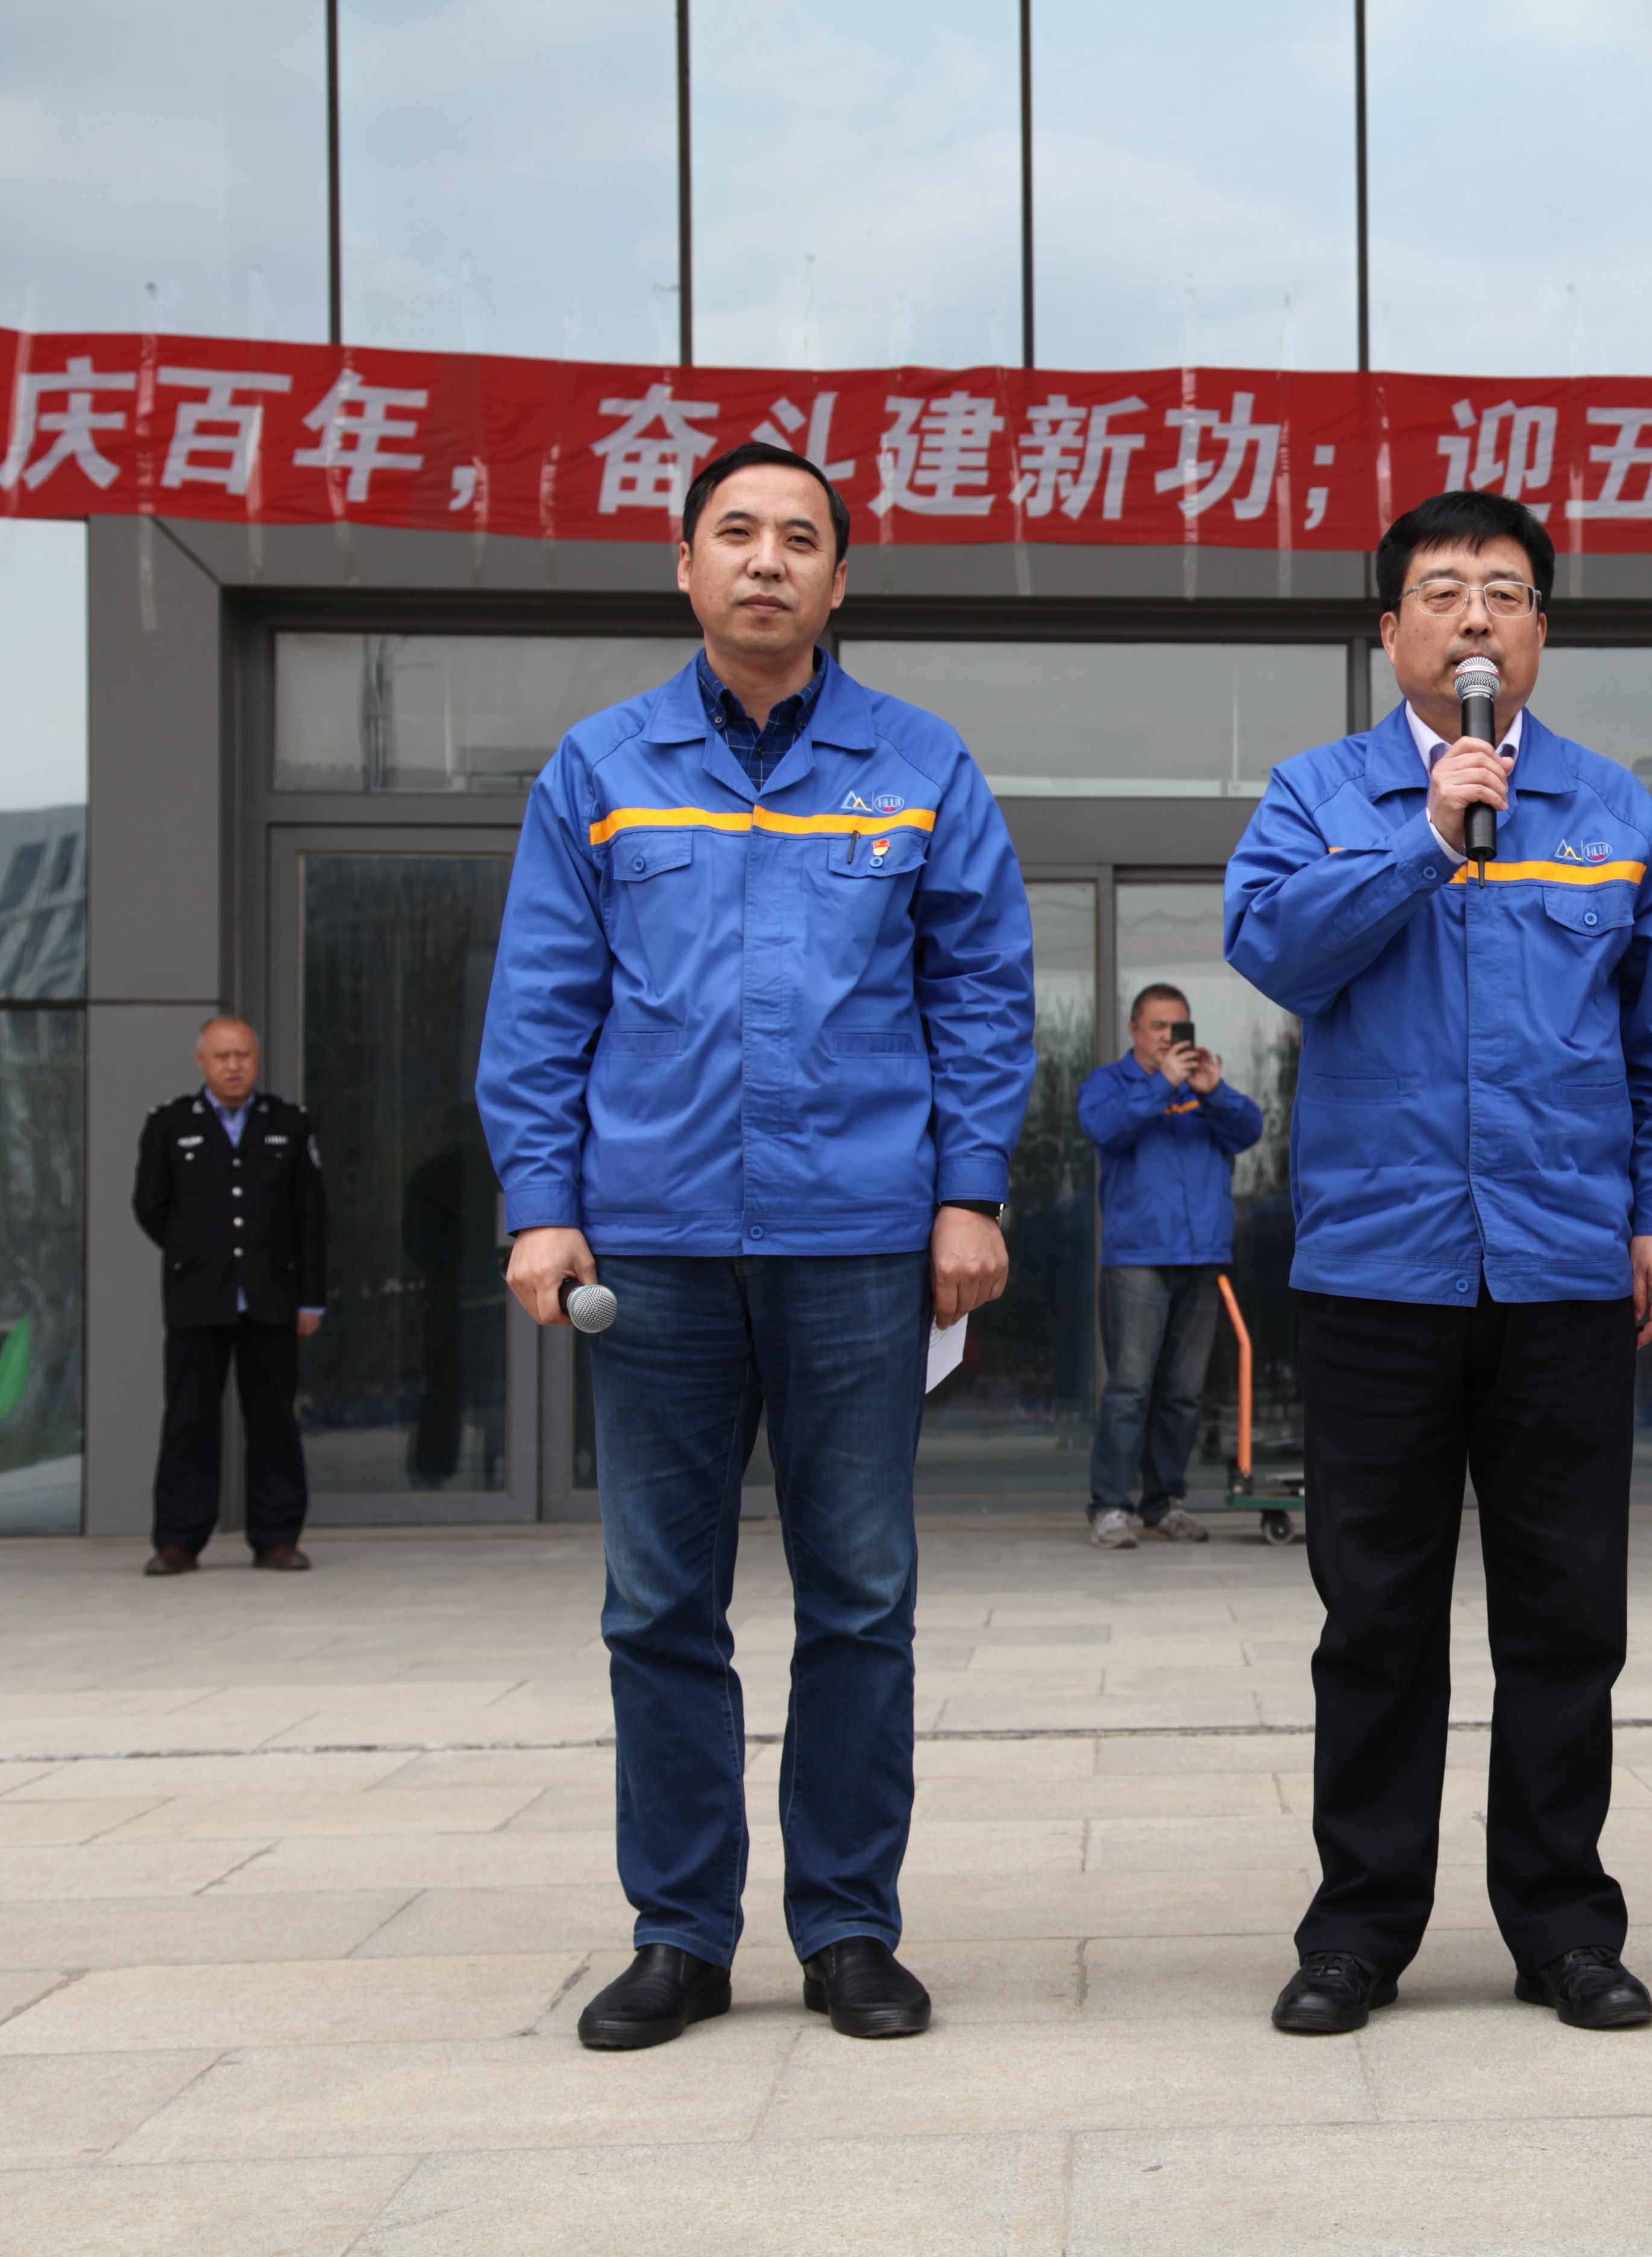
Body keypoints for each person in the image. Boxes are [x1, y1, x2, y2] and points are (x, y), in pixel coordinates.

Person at [476, 441, 1034, 2053]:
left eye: (800, 537)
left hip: (857, 1239)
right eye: (736, 532)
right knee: (660, 1603)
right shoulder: (602, 765)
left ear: (840, 581)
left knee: (859, 1594)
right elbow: (543, 1002)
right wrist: (541, 1200)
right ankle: (681, 1933)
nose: (767, 559)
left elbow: (982, 993)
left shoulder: (919, 764)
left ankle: (849, 1927)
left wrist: (970, 1191)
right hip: (648, 1246)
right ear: (687, 566)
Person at [1225, 488, 1652, 2037]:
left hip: (1565, 1267)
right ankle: (1359, 1928)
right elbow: (1273, 951)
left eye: (1504, 592)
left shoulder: (1612, 811)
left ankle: (1563, 1923)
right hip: (1378, 1271)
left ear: (1541, 630)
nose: (1474, 618)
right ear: (1391, 630)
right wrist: (1427, 836)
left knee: (1566, 1618)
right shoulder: (1319, 795)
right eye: (1441, 591)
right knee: (1376, 1619)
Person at [133, 1015, 325, 1576]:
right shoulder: (170, 1125)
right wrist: (196, 1250)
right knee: (189, 1420)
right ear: (202, 1062)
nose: (233, 1066)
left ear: (257, 1058)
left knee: (273, 1419)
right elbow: (150, 1206)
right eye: (222, 1057)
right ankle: (178, 1540)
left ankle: (277, 1537)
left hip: (272, 1294)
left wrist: (310, 1300)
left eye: (242, 1055)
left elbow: (312, 1217)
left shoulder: (288, 1124)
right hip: (198, 1296)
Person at [1076, 983, 1263, 1548]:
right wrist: (1162, 1085)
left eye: (1177, 1026)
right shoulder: (1110, 1084)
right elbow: (1104, 1129)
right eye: (1157, 1026)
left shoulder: (1202, 1087)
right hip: (1137, 1259)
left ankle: (1165, 1504)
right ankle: (1110, 1508)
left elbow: (1251, 1130)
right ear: (1134, 1029)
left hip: (1203, 1257)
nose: (1167, 1036)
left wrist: (1215, 1092)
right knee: (1130, 1388)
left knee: (1183, 1393)